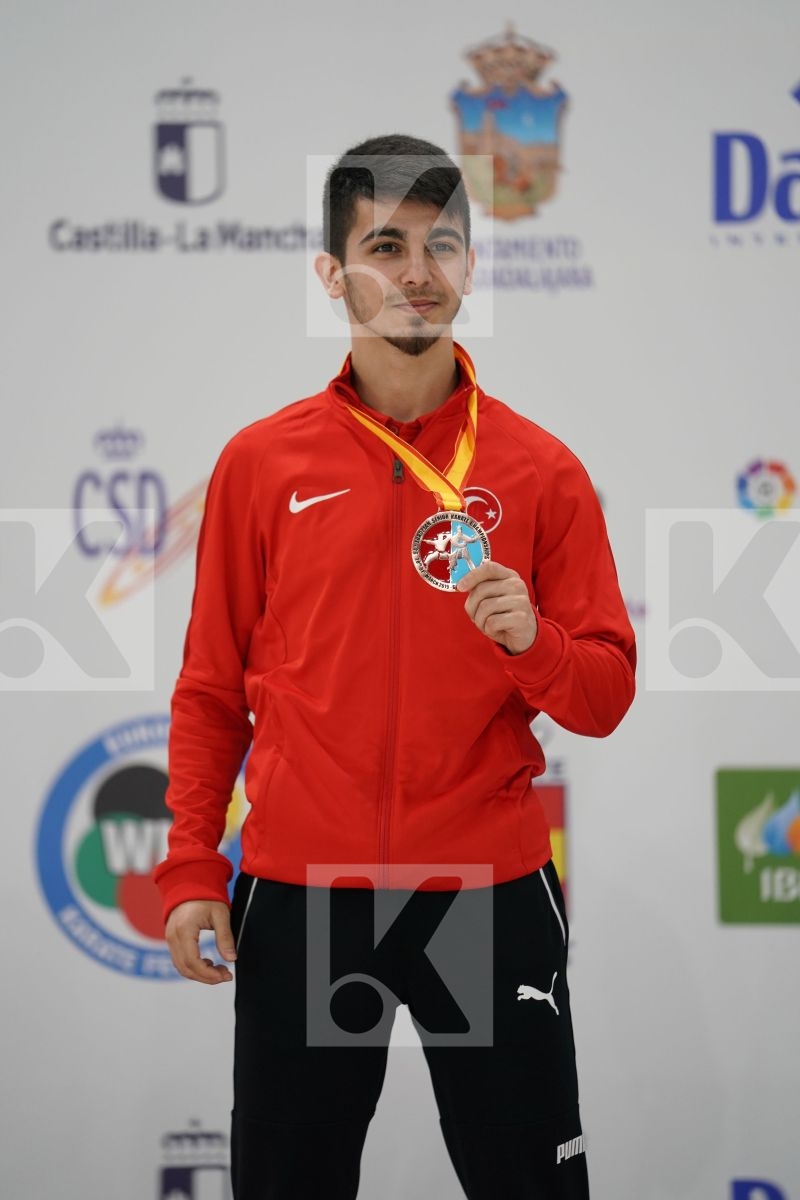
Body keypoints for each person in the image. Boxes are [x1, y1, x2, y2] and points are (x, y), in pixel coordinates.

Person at [153, 133, 636, 1200]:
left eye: (441, 245)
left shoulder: (541, 470)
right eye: (385, 247)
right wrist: (191, 868)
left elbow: (603, 698)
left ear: (470, 265)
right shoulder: (261, 463)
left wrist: (537, 645)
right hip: (306, 894)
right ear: (332, 275)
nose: (418, 272)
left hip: (482, 894)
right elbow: (211, 690)